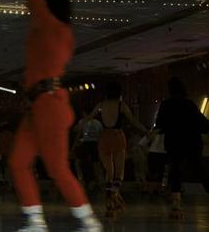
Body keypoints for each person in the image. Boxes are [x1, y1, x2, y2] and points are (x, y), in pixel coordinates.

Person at [3, 0, 103, 232]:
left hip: (49, 106)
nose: (28, 8)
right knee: (19, 162)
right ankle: (35, 225)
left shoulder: (54, 29)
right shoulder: (47, 30)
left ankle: (90, 225)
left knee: (57, 167)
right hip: (39, 106)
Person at [79, 81, 148, 216]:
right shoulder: (121, 105)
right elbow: (133, 121)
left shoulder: (100, 105)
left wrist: (79, 125)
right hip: (117, 137)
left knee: (109, 172)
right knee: (119, 172)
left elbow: (88, 117)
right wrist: (146, 131)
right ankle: (114, 195)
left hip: (104, 138)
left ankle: (110, 201)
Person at [155, 77, 209, 217]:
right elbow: (203, 124)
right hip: (192, 143)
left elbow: (160, 124)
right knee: (201, 171)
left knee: (176, 172)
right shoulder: (189, 104)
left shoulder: (166, 105)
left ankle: (176, 204)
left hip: (174, 143)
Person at [70, 105, 103, 190]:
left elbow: (77, 133)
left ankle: (81, 180)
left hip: (85, 143)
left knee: (80, 162)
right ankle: (98, 181)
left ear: (84, 113)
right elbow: (101, 136)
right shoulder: (98, 123)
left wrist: (73, 147)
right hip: (95, 144)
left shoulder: (82, 122)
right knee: (96, 163)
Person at [0, 122, 14, 194]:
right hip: (8, 154)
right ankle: (9, 184)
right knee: (6, 169)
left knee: (5, 169)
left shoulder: (3, 135)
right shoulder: (10, 135)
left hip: (4, 154)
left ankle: (8, 184)